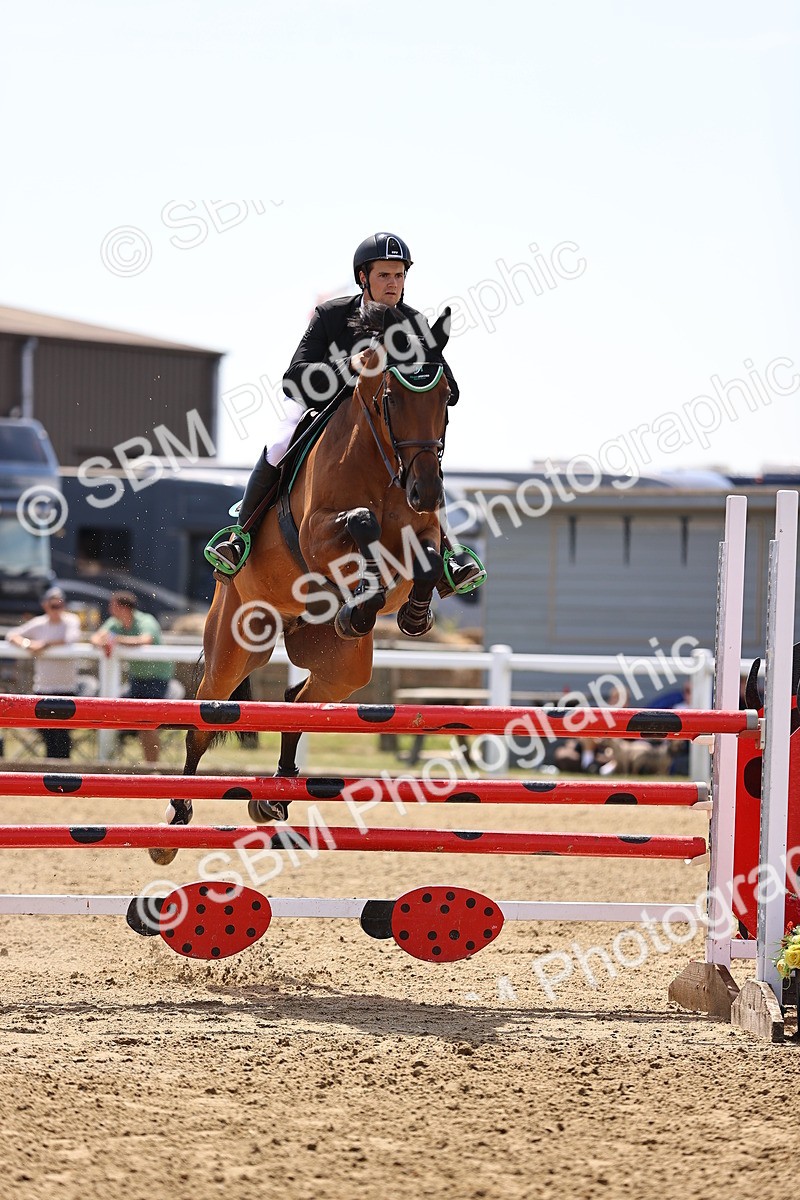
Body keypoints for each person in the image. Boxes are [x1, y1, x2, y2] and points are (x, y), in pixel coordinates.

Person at [208, 231, 483, 595]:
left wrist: (427, 366)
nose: (394, 283)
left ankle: (448, 553)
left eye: (399, 275)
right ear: (363, 277)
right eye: (384, 275)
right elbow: (295, 378)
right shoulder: (332, 315)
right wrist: (349, 366)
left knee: (423, 454)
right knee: (279, 441)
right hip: (326, 409)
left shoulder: (414, 324)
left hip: (385, 422)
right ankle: (241, 536)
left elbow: (450, 390)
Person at [90, 591, 173, 763]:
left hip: (157, 680)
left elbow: (146, 640)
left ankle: (152, 768)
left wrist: (114, 640)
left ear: (123, 607)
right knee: (114, 715)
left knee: (147, 725)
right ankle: (113, 762)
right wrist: (105, 642)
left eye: (112, 605)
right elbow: (95, 638)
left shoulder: (145, 620)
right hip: (137, 679)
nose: (109, 609)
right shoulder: (115, 623)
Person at [6, 587, 81, 759]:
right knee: (48, 734)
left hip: (65, 688)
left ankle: (62, 772)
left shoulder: (70, 620)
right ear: (45, 605)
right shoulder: (39, 623)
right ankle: (52, 771)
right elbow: (12, 635)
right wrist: (28, 644)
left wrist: (43, 644)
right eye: (52, 605)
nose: (56, 609)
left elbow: (71, 638)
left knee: (62, 736)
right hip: (44, 688)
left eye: (59, 605)